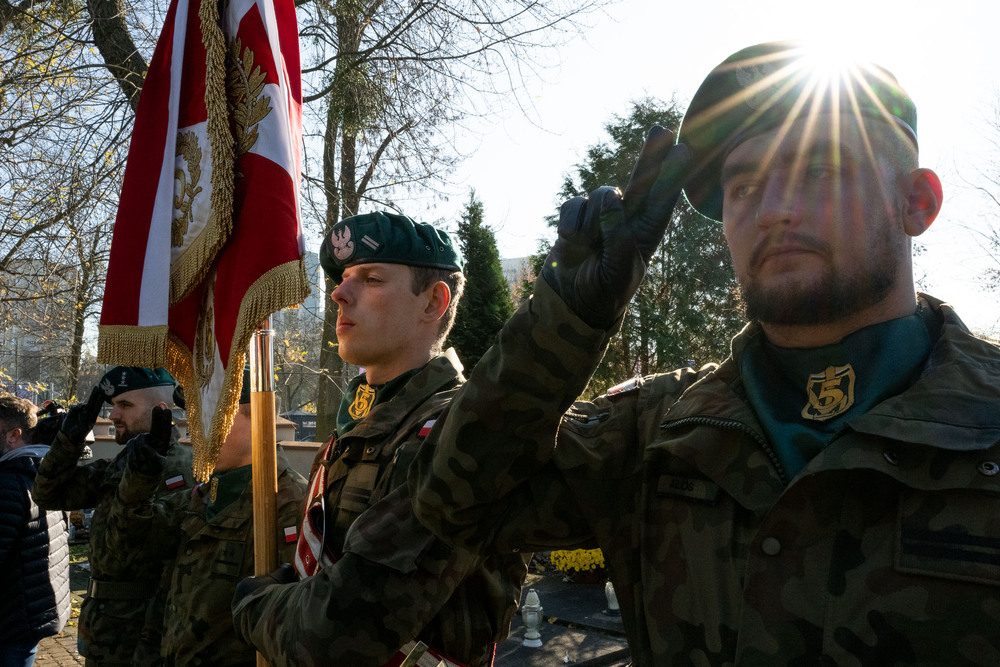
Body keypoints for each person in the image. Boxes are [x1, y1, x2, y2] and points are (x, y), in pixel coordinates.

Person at [409, 40, 1000, 666]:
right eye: (744, 187)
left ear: (918, 202)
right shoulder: (660, 431)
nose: (773, 211)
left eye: (819, 172)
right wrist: (569, 316)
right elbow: (454, 504)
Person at [231, 212, 526, 667]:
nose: (338, 293)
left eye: (370, 279)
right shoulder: (357, 427)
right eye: (344, 278)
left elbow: (344, 628)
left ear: (433, 302)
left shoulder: (456, 429)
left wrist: (256, 606)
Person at [102, 367, 307, 666]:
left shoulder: (292, 505)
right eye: (193, 416)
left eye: (208, 416)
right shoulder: (202, 497)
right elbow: (124, 546)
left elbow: (296, 633)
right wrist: (141, 475)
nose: (194, 428)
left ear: (256, 417)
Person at [31, 367, 194, 666]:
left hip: (141, 630)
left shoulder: (176, 470)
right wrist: (70, 438)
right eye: (113, 405)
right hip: (105, 623)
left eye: (125, 405)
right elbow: (47, 494)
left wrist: (142, 477)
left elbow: (130, 544)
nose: (114, 415)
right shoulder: (125, 460)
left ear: (160, 411)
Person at [0, 396, 70, 667]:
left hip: (11, 618)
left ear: (14, 435)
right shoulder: (45, 472)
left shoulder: (9, 481)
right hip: (30, 612)